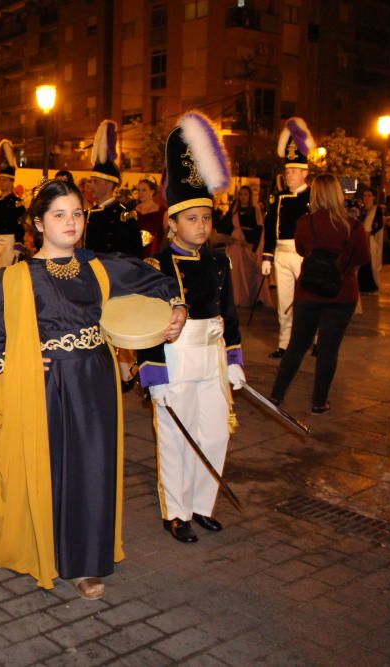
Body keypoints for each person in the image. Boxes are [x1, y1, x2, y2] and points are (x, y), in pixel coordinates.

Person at [0, 179, 185, 600]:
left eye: (77, 213)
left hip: (96, 381)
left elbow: (156, 280)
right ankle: (51, 548)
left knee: (93, 470)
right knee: (55, 470)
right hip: (46, 385)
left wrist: (178, 308)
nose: (71, 222)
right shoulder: (18, 276)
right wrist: (16, 359)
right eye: (59, 214)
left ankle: (85, 564)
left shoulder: (97, 266)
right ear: (39, 223)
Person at [136, 111, 245, 544]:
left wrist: (234, 356)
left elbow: (230, 312)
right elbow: (145, 324)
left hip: (212, 359)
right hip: (175, 359)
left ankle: (202, 505)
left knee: (214, 433)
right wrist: (152, 372)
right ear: (173, 222)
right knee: (176, 438)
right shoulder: (156, 265)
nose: (202, 226)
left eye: (206, 218)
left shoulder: (220, 260)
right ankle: (176, 511)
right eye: (192, 218)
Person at [269, 174, 370, 414]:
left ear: (316, 194)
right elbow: (363, 257)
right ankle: (319, 401)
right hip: (341, 294)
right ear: (337, 194)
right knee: (328, 349)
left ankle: (276, 395)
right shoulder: (352, 225)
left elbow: (301, 249)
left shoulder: (306, 222)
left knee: (296, 345)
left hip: (309, 291)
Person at [262, 117, 315, 359]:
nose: (290, 175)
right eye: (287, 170)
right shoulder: (279, 198)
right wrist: (267, 256)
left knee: (309, 299)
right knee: (284, 302)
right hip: (281, 254)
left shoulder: (314, 198)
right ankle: (284, 342)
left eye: (294, 171)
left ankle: (314, 339)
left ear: (304, 173)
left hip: (305, 255)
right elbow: (271, 227)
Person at [84, 120, 143, 258]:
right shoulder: (88, 213)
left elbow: (134, 255)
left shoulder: (124, 215)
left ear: (109, 184)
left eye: (95, 182)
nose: (91, 186)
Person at [226, 185, 272, 308]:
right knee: (235, 273)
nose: (243, 197)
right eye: (241, 194)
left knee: (249, 273)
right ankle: (237, 298)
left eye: (245, 194)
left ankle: (251, 299)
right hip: (235, 245)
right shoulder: (234, 210)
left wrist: (252, 244)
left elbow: (259, 229)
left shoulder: (255, 210)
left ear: (250, 196)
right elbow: (226, 225)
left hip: (248, 245)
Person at [0, 139, 26, 271]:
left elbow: (20, 225)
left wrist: (18, 245)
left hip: (10, 242)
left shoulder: (17, 202)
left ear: (11, 182)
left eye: (4, 180)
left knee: (8, 277)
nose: (1, 182)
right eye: (0, 179)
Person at [356, 188, 384, 294]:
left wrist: (370, 231)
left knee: (371, 262)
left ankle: (371, 286)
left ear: (373, 197)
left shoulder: (377, 209)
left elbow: (379, 224)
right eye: (364, 196)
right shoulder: (362, 210)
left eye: (368, 195)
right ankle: (362, 286)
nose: (366, 198)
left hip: (372, 240)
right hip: (362, 239)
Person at [135, 178, 167, 257]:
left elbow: (167, 237)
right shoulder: (133, 210)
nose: (140, 193)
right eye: (139, 190)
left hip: (154, 257)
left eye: (144, 190)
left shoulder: (163, 212)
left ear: (152, 191)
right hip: (134, 255)